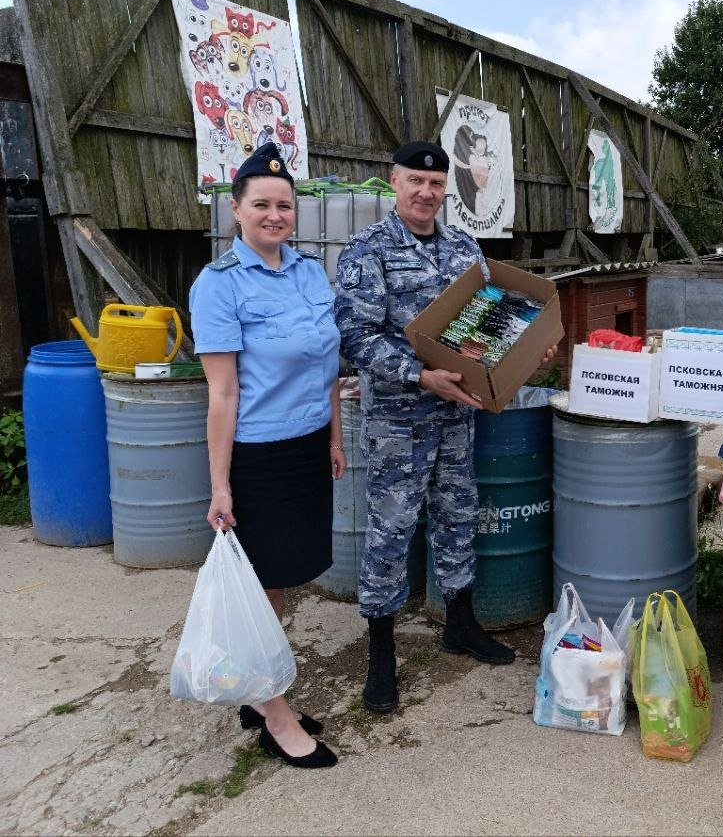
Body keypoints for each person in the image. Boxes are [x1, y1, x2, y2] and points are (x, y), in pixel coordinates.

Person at [333, 140, 556, 714]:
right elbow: (356, 338)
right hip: (398, 421)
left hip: (458, 415)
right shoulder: (368, 251)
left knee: (458, 515)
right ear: (394, 183)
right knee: (390, 532)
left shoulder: (463, 248)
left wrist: (528, 351)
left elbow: (492, 323)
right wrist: (418, 374)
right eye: (415, 183)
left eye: (435, 185)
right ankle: (381, 650)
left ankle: (460, 622)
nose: (426, 194)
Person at [189, 141, 344, 770]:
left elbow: (329, 362)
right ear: (237, 211)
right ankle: (274, 716)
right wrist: (220, 486)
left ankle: (257, 693)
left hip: (308, 447)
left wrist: (334, 437)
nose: (275, 214)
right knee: (260, 589)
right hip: (257, 455)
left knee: (278, 579)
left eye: (284, 204)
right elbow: (222, 394)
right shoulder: (218, 285)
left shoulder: (309, 272)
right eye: (262, 204)